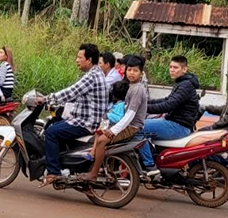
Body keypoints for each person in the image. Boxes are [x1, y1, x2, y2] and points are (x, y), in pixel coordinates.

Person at [37, 43, 108, 187]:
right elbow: (76, 95)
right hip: (86, 118)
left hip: (85, 122)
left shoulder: (91, 76)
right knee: (55, 125)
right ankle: (63, 166)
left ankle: (54, 172)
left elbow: (71, 92)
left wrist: (46, 98)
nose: (77, 60)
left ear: (89, 60)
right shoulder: (95, 73)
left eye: (79, 57)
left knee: (51, 132)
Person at [84, 56, 148, 181]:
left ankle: (94, 173)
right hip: (126, 123)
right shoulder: (131, 86)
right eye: (129, 70)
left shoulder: (137, 90)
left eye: (135, 71)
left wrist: (114, 130)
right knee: (99, 131)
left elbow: (130, 114)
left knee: (102, 140)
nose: (131, 73)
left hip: (132, 126)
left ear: (141, 73)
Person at [136, 55, 201, 175]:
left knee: (138, 127)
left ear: (184, 69)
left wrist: (142, 108)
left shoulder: (185, 85)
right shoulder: (182, 83)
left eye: (175, 67)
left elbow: (168, 105)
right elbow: (166, 100)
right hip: (175, 123)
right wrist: (143, 103)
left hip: (178, 126)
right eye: (170, 67)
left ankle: (150, 166)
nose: (172, 70)